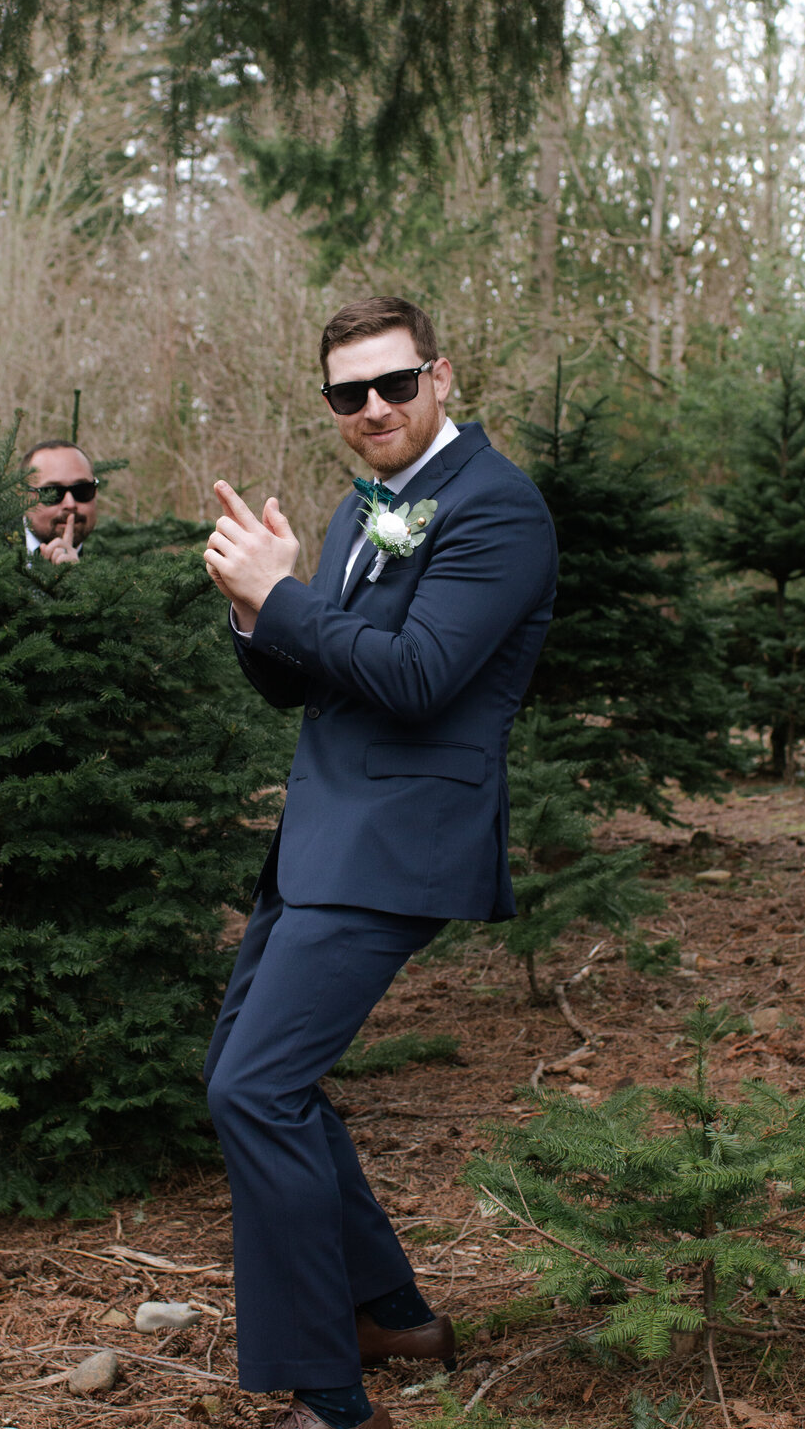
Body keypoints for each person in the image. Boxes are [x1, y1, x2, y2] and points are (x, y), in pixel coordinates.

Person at [202, 297, 558, 1429]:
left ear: (441, 377)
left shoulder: (498, 510)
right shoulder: (367, 513)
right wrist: (255, 616)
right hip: (320, 841)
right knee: (259, 1077)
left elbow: (416, 678)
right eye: (347, 394)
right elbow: (310, 678)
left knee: (253, 1089)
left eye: (393, 385)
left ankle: (331, 1396)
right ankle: (392, 1316)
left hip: (400, 846)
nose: (373, 410)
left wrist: (287, 596)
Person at [21, 439, 100, 565]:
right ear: (23, 498)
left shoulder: (120, 562)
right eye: (52, 493)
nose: (70, 504)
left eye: (82, 490)